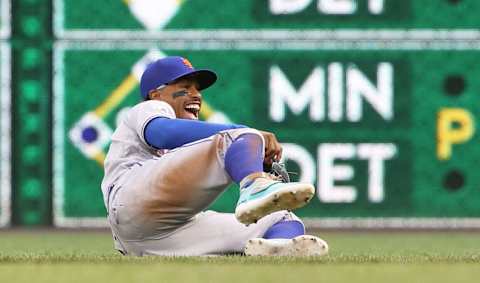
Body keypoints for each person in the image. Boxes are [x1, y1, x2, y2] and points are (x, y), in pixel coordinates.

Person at [101, 56, 329, 256]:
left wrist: (252, 156)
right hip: (129, 199)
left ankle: (276, 252)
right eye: (186, 86)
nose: (196, 95)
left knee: (282, 219)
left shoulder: (191, 143)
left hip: (159, 234)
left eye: (197, 89)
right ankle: (255, 188)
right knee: (237, 136)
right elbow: (162, 134)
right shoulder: (148, 108)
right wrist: (245, 136)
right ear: (156, 93)